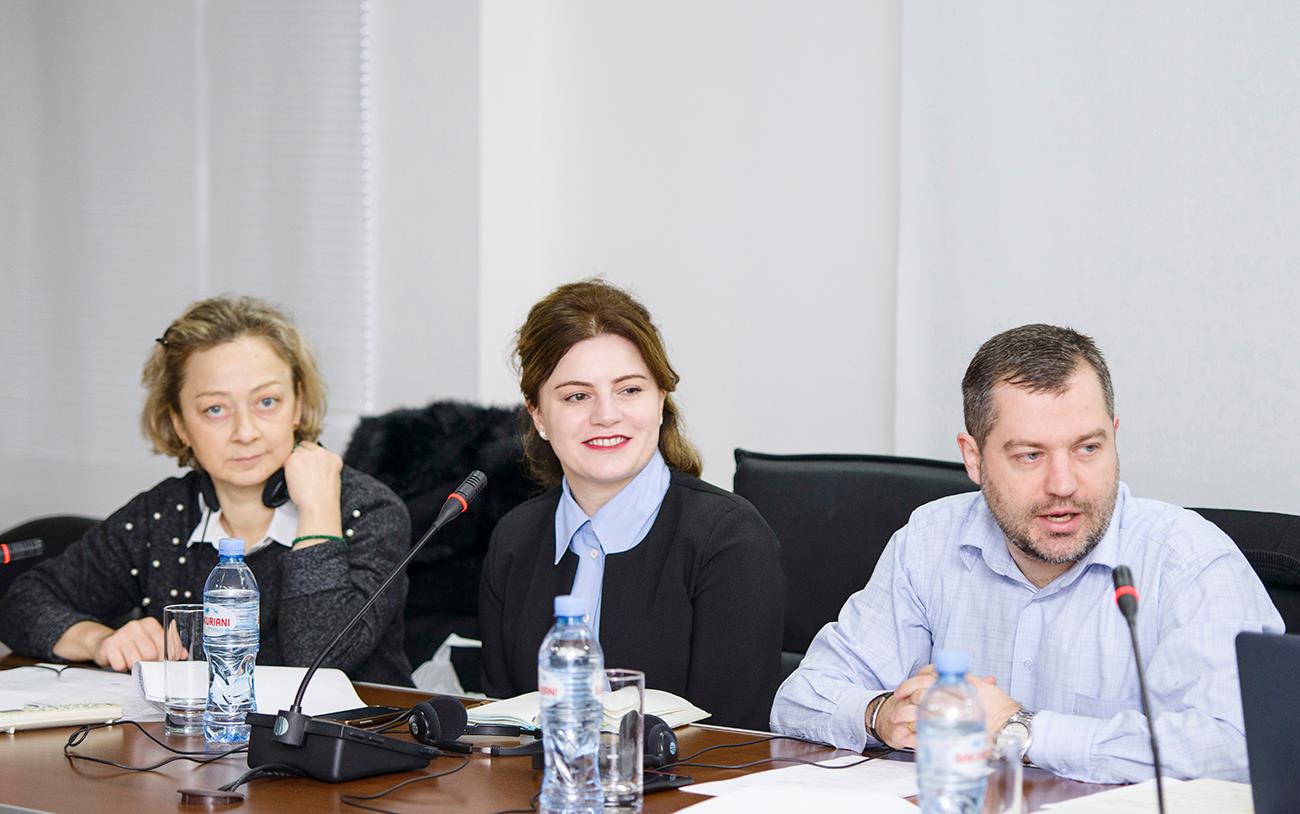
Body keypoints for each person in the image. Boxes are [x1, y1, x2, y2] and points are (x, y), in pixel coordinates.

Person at [770, 323, 1282, 783]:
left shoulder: (1189, 561)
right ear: (974, 458)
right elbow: (801, 697)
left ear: (1114, 437)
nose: (1064, 484)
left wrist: (1020, 729)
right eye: (1030, 455)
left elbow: (1243, 747)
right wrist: (882, 714)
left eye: (1087, 448)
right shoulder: (930, 540)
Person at [0, 295, 413, 685]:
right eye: (215, 409)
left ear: (298, 404)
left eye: (267, 402)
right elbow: (22, 603)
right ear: (180, 424)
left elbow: (317, 659)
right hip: (200, 736)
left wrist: (319, 515)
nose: (245, 432)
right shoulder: (163, 515)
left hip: (363, 735)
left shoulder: (369, 511)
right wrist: (99, 640)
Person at [478, 279, 784, 729]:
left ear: (661, 399)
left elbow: (735, 741)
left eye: (629, 390)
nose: (606, 415)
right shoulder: (513, 539)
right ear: (538, 415)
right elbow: (501, 727)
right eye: (577, 396)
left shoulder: (730, 540)